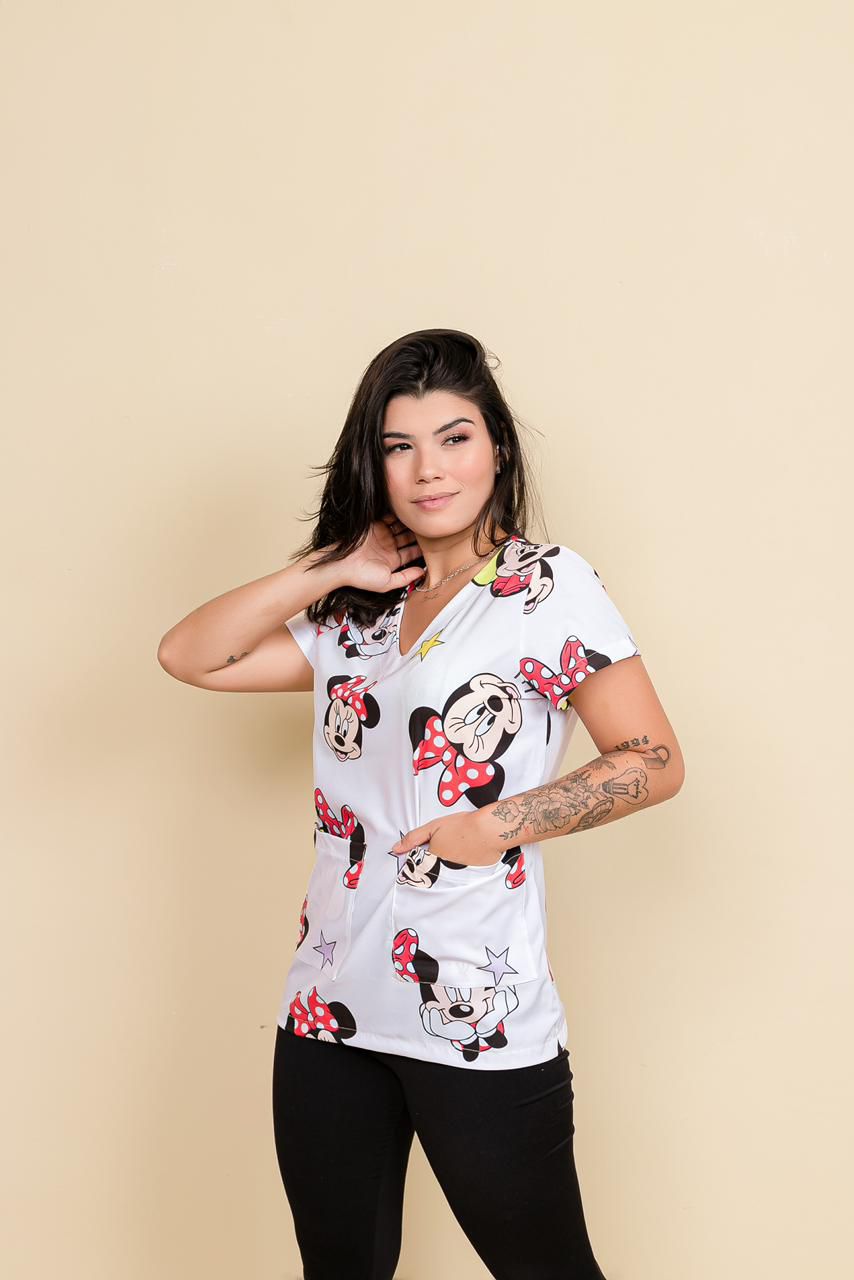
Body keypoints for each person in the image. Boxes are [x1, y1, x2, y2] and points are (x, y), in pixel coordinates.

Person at [157, 329, 685, 1279]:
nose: (428, 469)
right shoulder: (361, 607)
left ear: (498, 450)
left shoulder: (546, 588)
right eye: (399, 446)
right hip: (328, 1006)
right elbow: (191, 656)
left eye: (454, 438)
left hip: (476, 1007)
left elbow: (653, 759)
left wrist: (494, 826)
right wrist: (330, 567)